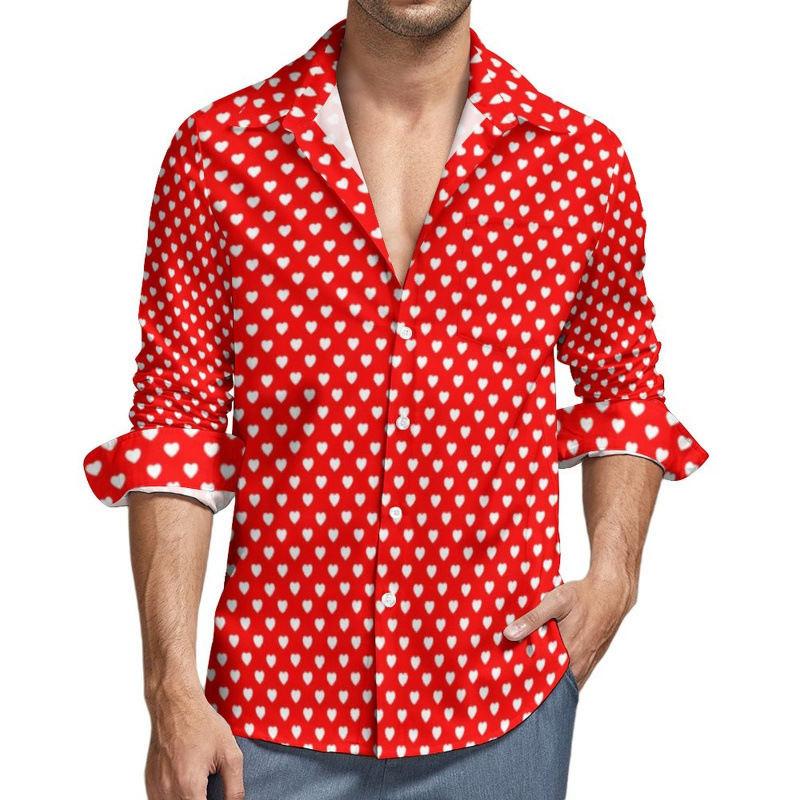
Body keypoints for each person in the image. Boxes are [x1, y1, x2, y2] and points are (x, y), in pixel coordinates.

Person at [82, 2, 709, 799]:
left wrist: (614, 578)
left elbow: (623, 387)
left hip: (503, 710)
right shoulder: (219, 153)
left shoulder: (580, 163)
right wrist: (169, 689)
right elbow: (177, 427)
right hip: (267, 726)